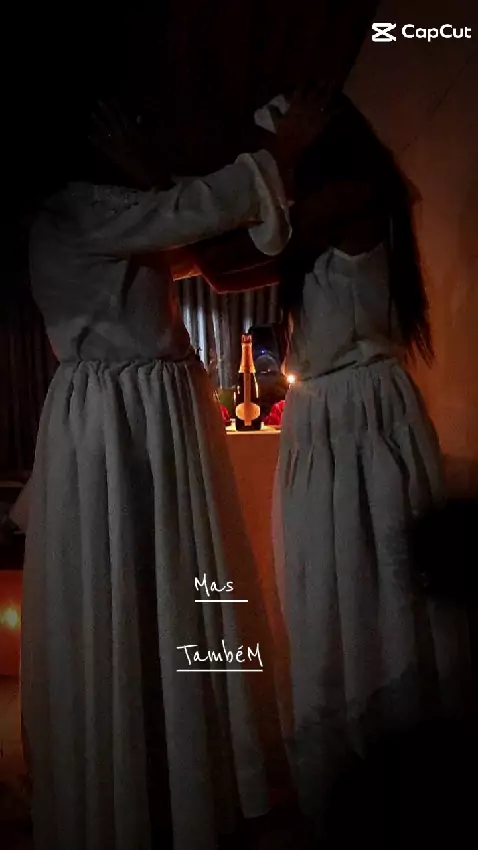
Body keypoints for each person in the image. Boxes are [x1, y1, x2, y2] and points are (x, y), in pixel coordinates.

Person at [20, 89, 334, 850]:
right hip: (121, 419)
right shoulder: (75, 213)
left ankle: (173, 771)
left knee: (172, 581)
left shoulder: (105, 216)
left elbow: (190, 233)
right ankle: (142, 786)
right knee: (136, 580)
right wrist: (281, 151)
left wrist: (153, 176)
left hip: (134, 410)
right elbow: (189, 211)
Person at [187, 93, 475, 839]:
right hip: (340, 419)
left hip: (358, 421)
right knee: (334, 592)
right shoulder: (345, 201)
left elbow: (226, 262)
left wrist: (274, 161)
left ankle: (386, 780)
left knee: (368, 594)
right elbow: (233, 261)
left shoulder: (350, 197)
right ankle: (362, 780)